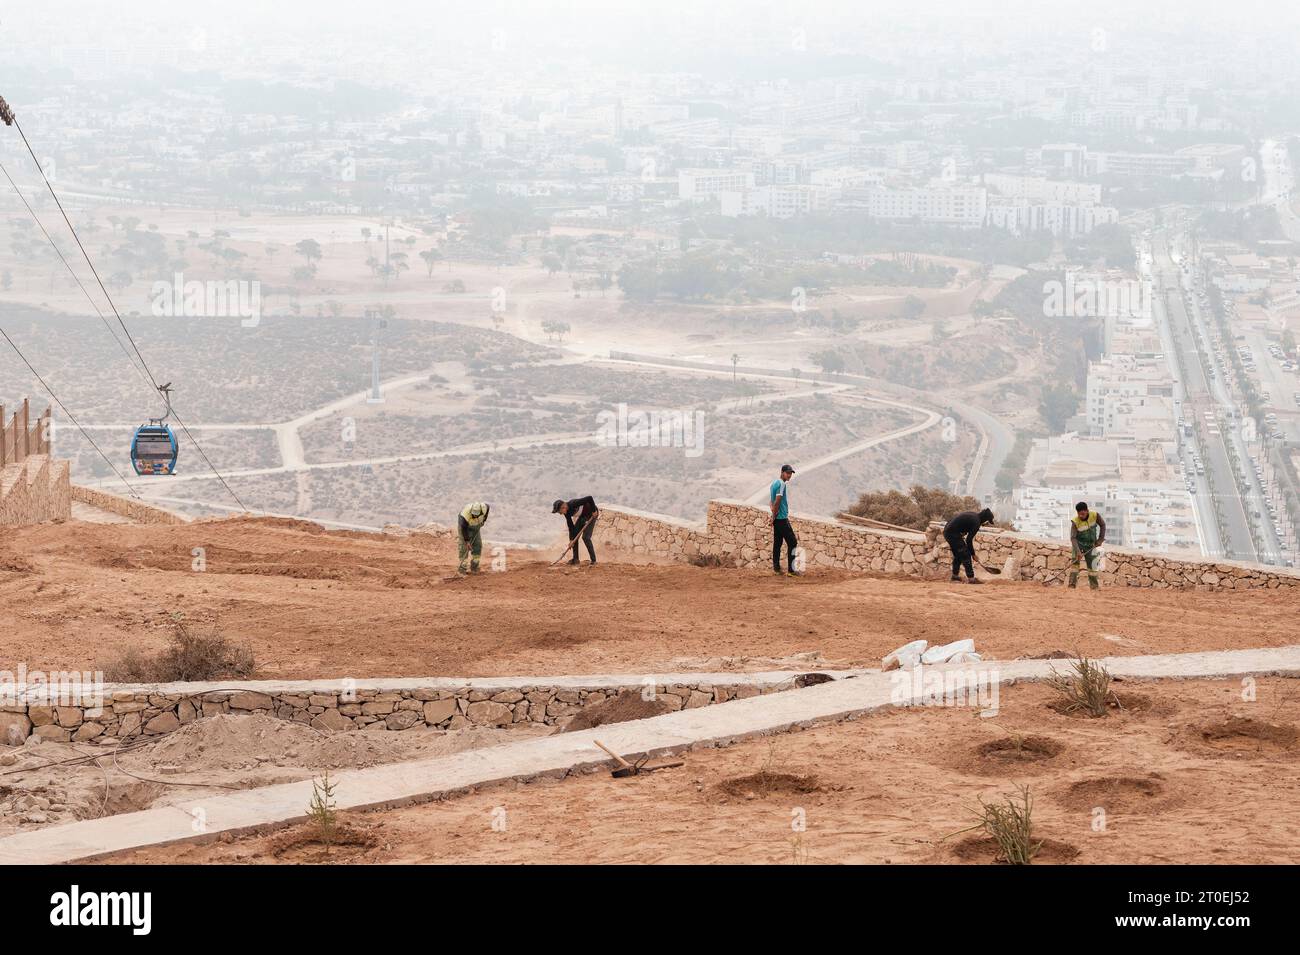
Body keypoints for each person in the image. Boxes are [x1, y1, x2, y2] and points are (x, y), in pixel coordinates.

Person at [943, 507, 995, 584]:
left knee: (958, 555)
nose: (986, 524)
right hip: (952, 534)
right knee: (966, 554)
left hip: (948, 531)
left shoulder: (974, 516)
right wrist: (973, 554)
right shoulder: (976, 522)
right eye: (988, 522)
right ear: (985, 519)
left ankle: (955, 577)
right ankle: (971, 579)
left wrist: (961, 531)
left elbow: (960, 523)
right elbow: (968, 540)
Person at [769, 464, 801, 576]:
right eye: (788, 473)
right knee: (793, 542)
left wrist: (773, 516)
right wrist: (774, 516)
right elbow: (777, 501)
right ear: (782, 472)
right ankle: (791, 571)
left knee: (777, 543)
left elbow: (771, 501)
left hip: (777, 518)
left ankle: (776, 569)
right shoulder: (782, 484)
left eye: (791, 473)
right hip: (781, 518)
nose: (789, 475)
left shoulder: (773, 483)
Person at [1069, 501, 1106, 590]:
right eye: (1079, 514)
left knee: (1093, 566)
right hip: (1078, 544)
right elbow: (1073, 538)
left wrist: (1100, 540)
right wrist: (1078, 552)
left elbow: (1103, 525)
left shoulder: (1095, 515)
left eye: (1083, 514)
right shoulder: (1075, 521)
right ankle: (1071, 585)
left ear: (1087, 511)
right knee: (1075, 566)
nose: (1081, 516)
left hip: (1091, 545)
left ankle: (1094, 587)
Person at [553, 496, 599, 565]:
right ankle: (576, 559)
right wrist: (571, 540)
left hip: (592, 514)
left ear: (563, 506)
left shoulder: (573, 503)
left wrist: (594, 511)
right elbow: (571, 526)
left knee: (586, 537)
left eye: (560, 511)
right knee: (574, 538)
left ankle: (593, 560)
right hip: (583, 516)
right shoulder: (567, 513)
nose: (560, 514)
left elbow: (589, 498)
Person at [457, 502, 490, 574]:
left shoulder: (484, 508)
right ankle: (462, 570)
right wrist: (467, 541)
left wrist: (484, 520)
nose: (474, 516)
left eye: (476, 515)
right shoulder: (464, 516)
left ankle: (474, 567)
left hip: (476, 526)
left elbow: (488, 508)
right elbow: (463, 529)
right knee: (464, 547)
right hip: (465, 528)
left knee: (478, 545)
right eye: (473, 515)